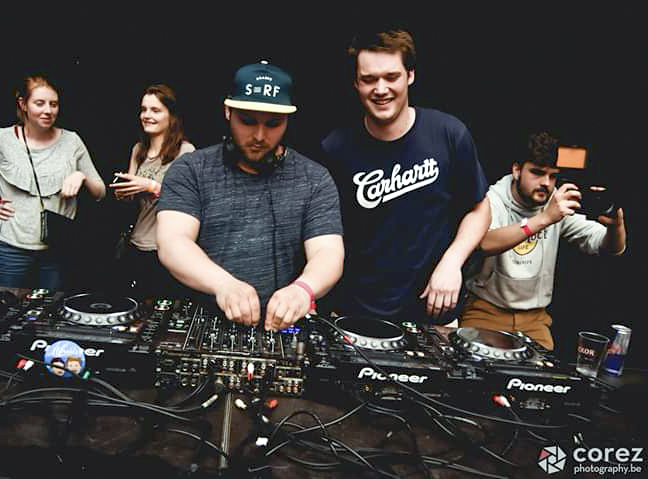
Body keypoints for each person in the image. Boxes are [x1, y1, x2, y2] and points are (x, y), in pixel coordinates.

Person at [155, 61, 344, 332]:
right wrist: (224, 285)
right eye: (247, 121)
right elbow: (173, 242)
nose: (259, 136)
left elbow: (328, 251)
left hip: (282, 329)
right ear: (227, 111)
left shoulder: (315, 178)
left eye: (273, 124)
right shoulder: (191, 169)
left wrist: (303, 289)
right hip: (204, 326)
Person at [321, 27, 490, 324]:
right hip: (355, 315)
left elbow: (480, 209)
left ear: (410, 75)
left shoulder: (449, 134)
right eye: (369, 79)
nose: (381, 89)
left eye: (391, 77)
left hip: (432, 315)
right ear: (356, 83)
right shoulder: (335, 148)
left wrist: (452, 262)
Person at [462, 132, 627, 350]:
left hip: (535, 319)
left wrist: (616, 226)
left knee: (549, 370)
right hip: (486, 311)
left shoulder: (554, 202)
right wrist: (544, 218)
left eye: (552, 176)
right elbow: (484, 242)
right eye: (537, 173)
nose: (545, 183)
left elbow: (608, 247)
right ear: (517, 170)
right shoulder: (494, 199)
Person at [0, 74, 106, 296]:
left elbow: (100, 192)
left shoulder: (72, 141)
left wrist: (81, 176)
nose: (48, 110)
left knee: (50, 311)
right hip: (10, 250)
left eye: (53, 104)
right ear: (23, 104)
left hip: (57, 250)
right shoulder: (2, 140)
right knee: (5, 310)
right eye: (39, 103)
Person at [109, 84, 195, 300]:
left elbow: (190, 200)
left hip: (166, 247)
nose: (147, 115)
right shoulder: (138, 149)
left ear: (171, 116)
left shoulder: (185, 151)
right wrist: (124, 192)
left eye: (155, 110)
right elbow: (131, 196)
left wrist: (151, 186)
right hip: (137, 243)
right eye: (144, 109)